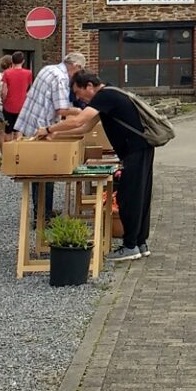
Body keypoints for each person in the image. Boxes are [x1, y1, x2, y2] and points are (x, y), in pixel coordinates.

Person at [45, 71, 155, 262]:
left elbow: (79, 120)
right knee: (140, 194)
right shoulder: (109, 94)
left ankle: (130, 245)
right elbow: (85, 128)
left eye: (79, 93)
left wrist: (48, 129)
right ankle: (140, 242)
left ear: (89, 86)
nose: (79, 98)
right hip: (140, 149)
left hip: (135, 150)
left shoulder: (105, 96)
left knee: (129, 197)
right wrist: (56, 135)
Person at [17, 51, 86, 139]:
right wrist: (80, 112)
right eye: (81, 69)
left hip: (29, 121)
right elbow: (61, 110)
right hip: (41, 126)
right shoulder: (61, 78)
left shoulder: (48, 69)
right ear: (76, 66)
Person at [0, 53, 33, 140]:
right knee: (19, 130)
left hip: (9, 105)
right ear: (23, 61)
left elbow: (4, 91)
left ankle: (9, 151)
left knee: (8, 130)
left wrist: (3, 101)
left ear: (12, 61)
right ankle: (18, 151)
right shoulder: (28, 73)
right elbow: (29, 89)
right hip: (22, 105)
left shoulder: (7, 73)